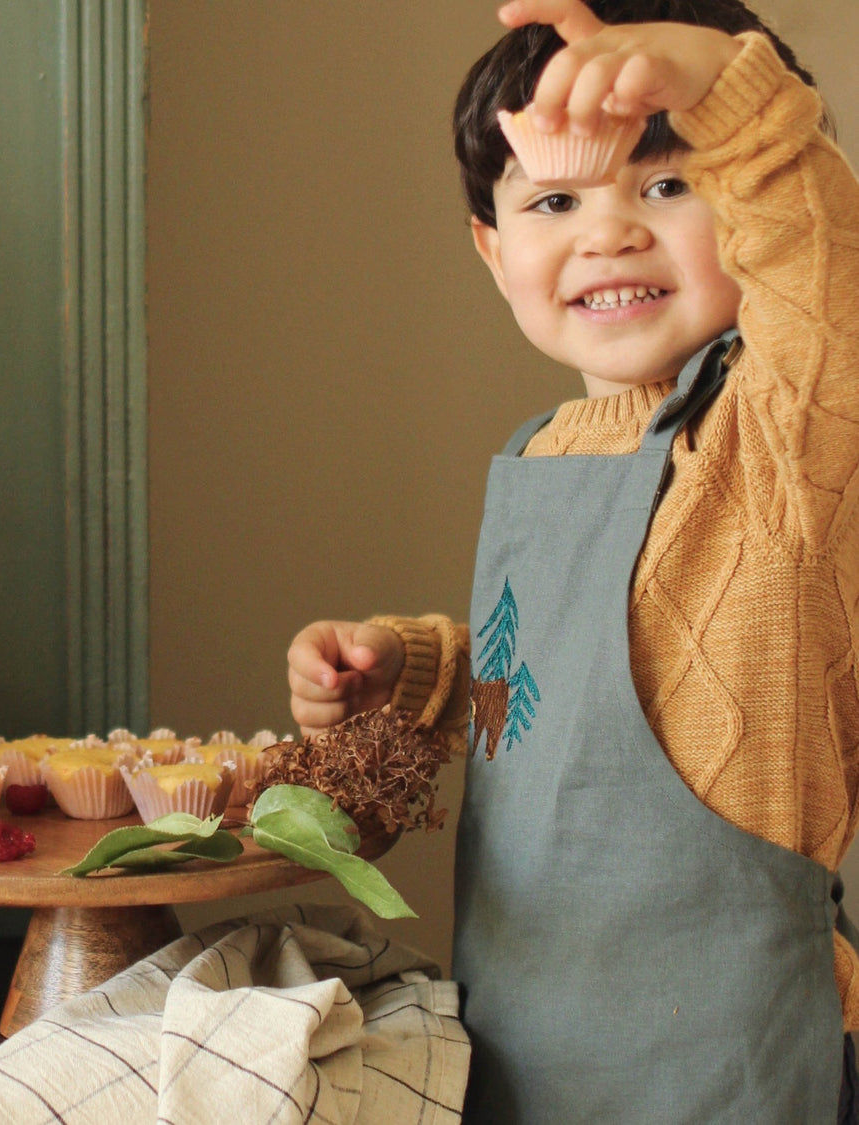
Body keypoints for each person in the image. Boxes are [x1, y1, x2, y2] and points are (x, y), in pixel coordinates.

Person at [288, 0, 859, 1119]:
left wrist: (721, 82)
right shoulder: (540, 454)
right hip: (530, 1037)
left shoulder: (788, 428)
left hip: (731, 1058)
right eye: (556, 200)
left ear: (750, 195)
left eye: (668, 182)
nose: (610, 234)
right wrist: (410, 674)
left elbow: (820, 266)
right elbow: (547, 691)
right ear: (494, 252)